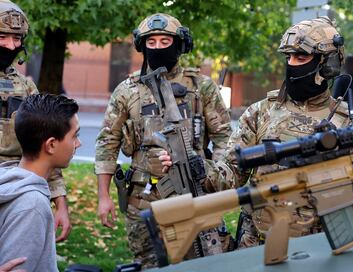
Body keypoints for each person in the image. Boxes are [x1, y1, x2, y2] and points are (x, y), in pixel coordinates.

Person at [160, 16, 353, 249]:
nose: (292, 64)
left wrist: (326, 189)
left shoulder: (347, 124)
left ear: (327, 64)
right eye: (289, 57)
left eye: (301, 57)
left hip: (317, 246)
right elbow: (230, 173)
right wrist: (193, 165)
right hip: (256, 243)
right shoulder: (261, 112)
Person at [95, 13, 232, 269]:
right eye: (152, 42)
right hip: (143, 198)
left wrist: (215, 175)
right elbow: (107, 142)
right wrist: (104, 196)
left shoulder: (201, 87)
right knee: (148, 265)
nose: (157, 48)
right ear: (142, 45)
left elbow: (225, 138)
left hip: (194, 192)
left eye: (165, 41)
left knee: (205, 263)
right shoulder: (128, 89)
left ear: (179, 44)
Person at [0, 0, 72, 242]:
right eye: (2, 37)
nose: (11, 46)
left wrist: (60, 202)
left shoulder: (25, 86)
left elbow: (45, 147)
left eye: (17, 38)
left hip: (21, 195)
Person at [0, 94, 81, 272]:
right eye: (75, 136)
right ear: (51, 145)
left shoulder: (8, 178)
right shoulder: (32, 206)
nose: (79, 143)